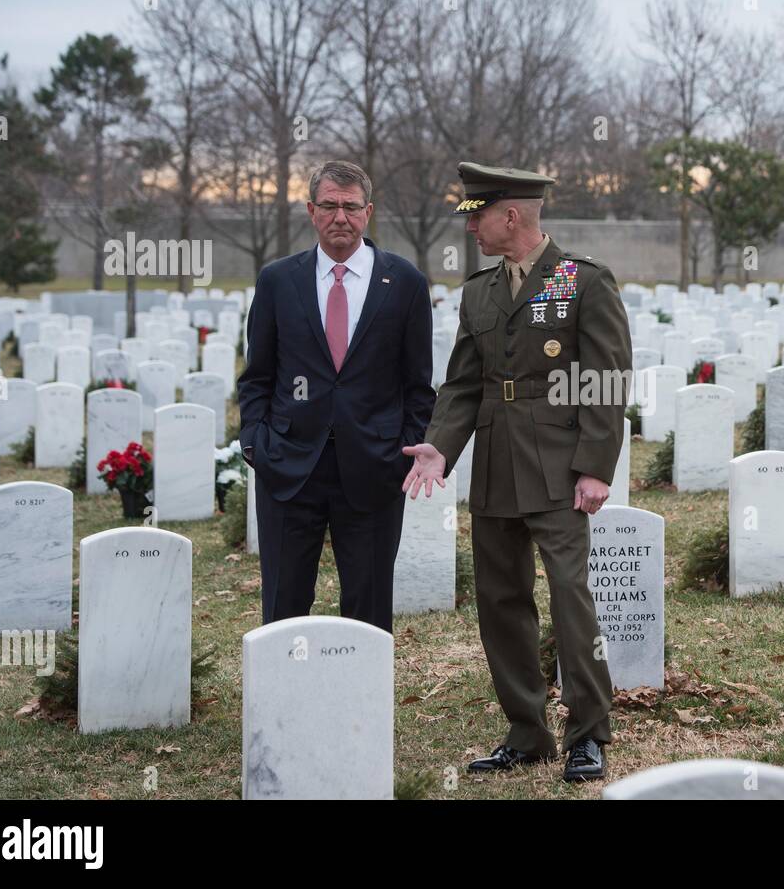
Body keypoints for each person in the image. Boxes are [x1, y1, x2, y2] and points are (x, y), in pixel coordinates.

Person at [403, 161, 632, 782]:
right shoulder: (478, 290)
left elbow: (606, 380)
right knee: (501, 600)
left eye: (477, 215)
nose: (471, 226)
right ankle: (527, 731)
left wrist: (595, 467)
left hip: (560, 468)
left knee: (569, 596)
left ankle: (588, 732)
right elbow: (463, 383)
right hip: (497, 465)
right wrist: (439, 447)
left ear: (511, 215)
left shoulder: (581, 281)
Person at [238, 159, 434, 635]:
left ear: (368, 212)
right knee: (284, 603)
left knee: (367, 607)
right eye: (329, 205)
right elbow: (258, 375)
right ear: (311, 210)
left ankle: (360, 708)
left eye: (350, 207)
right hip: (288, 465)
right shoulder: (279, 280)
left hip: (373, 466)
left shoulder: (404, 282)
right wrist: (256, 444)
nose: (339, 217)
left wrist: (400, 449)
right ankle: (284, 704)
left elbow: (418, 384)